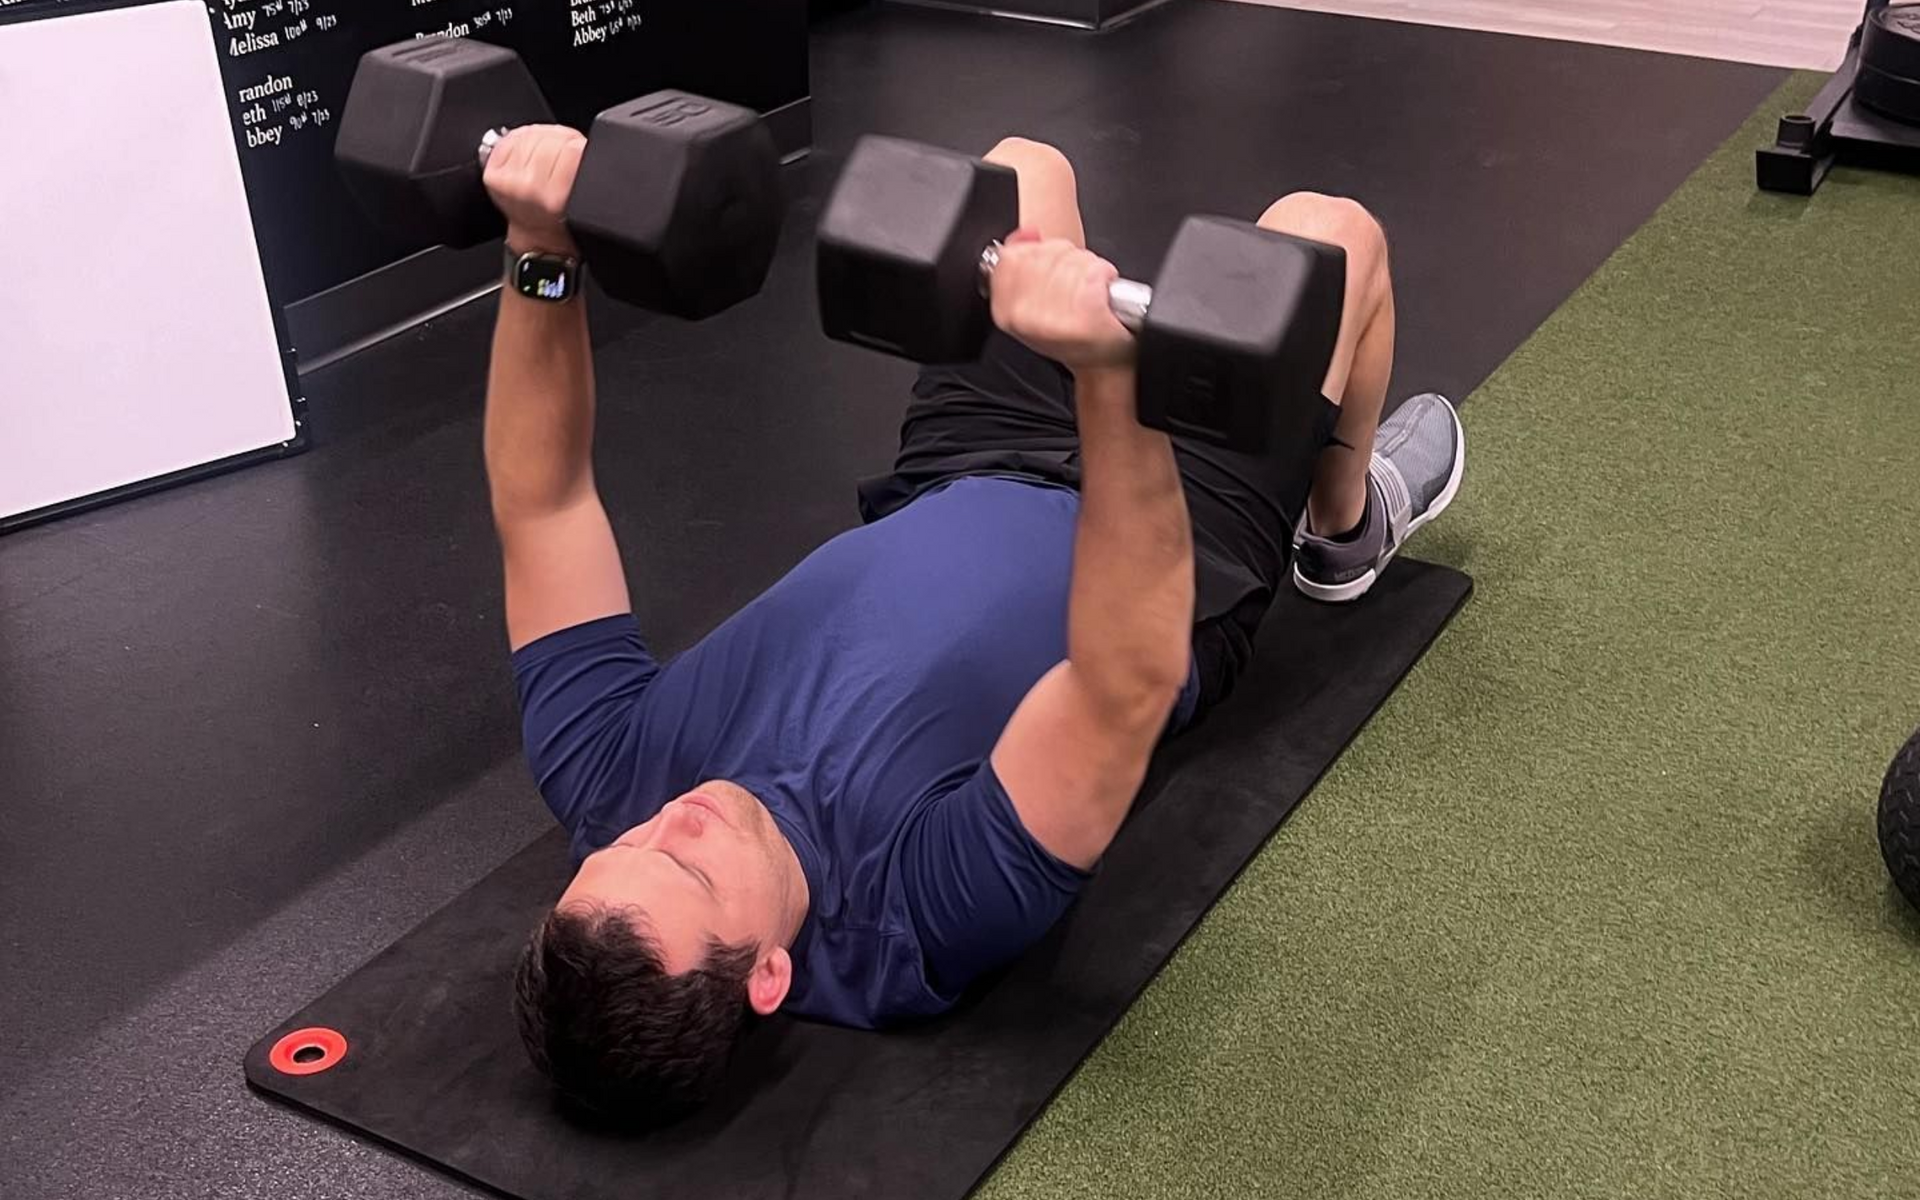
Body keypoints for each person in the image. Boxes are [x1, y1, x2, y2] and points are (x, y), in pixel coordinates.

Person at [485, 126, 1464, 1122]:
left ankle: (1290, 477)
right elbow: (1117, 675)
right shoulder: (920, 914)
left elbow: (545, 502)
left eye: (622, 847)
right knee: (1325, 233)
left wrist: (539, 252)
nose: (669, 818)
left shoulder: (604, 777)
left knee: (1019, 172)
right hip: (1178, 545)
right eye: (687, 864)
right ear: (768, 976)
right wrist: (1110, 378)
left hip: (963, 470)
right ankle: (1341, 524)